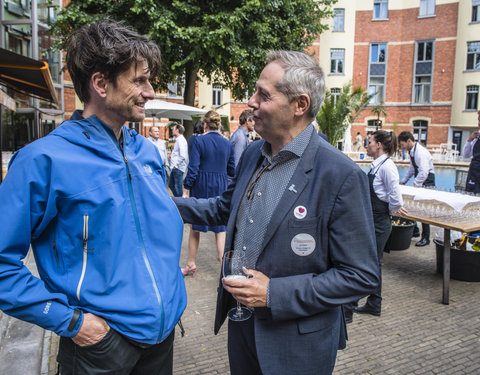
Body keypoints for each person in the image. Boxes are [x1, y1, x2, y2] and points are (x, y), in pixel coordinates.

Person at [173, 50, 379, 375]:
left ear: (300, 105)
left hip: (297, 346)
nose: (250, 101)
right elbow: (222, 208)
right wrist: (164, 204)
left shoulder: (340, 175)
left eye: (263, 95)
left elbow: (360, 276)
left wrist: (273, 293)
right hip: (242, 327)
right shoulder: (254, 153)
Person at [0, 21, 187, 374]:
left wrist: (168, 284)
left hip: (162, 338)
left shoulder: (147, 151)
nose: (149, 92)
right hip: (99, 348)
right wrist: (71, 322)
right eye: (139, 80)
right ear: (100, 83)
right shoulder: (43, 160)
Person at [348, 131, 407, 322]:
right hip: (373, 219)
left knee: (368, 261)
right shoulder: (377, 166)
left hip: (379, 222)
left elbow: (396, 198)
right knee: (372, 262)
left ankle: (354, 303)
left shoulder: (387, 167)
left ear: (379, 144)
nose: (367, 144)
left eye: (370, 141)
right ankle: (374, 302)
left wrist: (387, 212)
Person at [181, 111, 235, 276]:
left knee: (195, 228)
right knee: (220, 229)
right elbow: (232, 170)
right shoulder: (228, 144)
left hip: (201, 186)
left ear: (205, 125)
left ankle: (191, 264)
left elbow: (193, 167)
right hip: (220, 186)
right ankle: (223, 270)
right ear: (219, 125)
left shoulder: (199, 141)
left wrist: (186, 188)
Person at [398, 131, 435, 247]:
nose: (402, 148)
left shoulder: (420, 152)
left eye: (402, 145)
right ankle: (415, 231)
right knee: (413, 206)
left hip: (427, 181)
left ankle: (426, 238)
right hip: (420, 179)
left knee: (425, 210)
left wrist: (414, 186)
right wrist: (404, 180)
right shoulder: (412, 151)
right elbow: (412, 169)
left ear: (409, 141)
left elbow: (424, 172)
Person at [462, 110, 480, 194]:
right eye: (479, 120)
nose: (479, 123)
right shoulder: (475, 138)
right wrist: (469, 140)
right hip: (473, 172)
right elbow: (465, 155)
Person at [168, 123, 188, 197]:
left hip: (178, 168)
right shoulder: (179, 140)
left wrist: (176, 165)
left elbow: (183, 155)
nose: (172, 131)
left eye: (173, 129)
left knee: (178, 187)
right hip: (176, 167)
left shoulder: (181, 140)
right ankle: (178, 199)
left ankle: (181, 202)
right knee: (171, 185)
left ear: (177, 130)